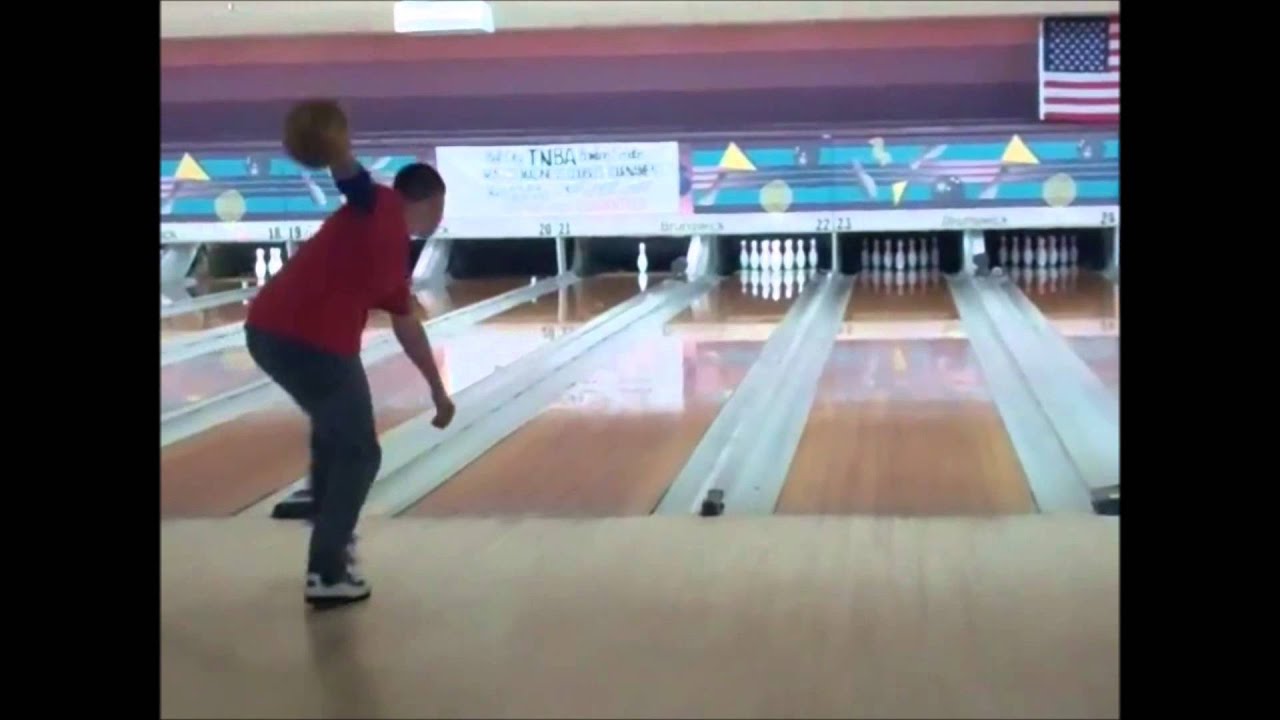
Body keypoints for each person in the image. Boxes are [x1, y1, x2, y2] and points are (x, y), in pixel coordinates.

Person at [245, 128, 455, 608]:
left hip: (268, 332)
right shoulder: (378, 205)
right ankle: (327, 569)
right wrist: (330, 138)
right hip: (315, 343)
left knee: (334, 425)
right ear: (426, 201)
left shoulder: (395, 255)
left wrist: (438, 392)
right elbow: (347, 173)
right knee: (361, 453)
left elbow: (407, 326)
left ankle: (322, 502)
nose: (441, 220)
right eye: (440, 209)